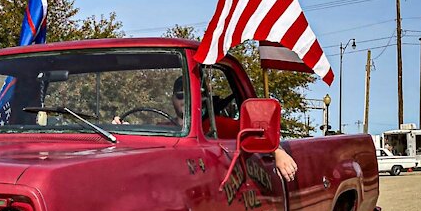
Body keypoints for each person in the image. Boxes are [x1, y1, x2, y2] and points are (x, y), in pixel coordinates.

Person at [113, 76, 300, 182]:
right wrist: (122, 131)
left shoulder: (217, 124)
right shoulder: (162, 129)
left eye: (193, 95)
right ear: (172, 100)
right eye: (180, 96)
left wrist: (277, 151)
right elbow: (145, 143)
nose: (185, 101)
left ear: (203, 99)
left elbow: (257, 133)